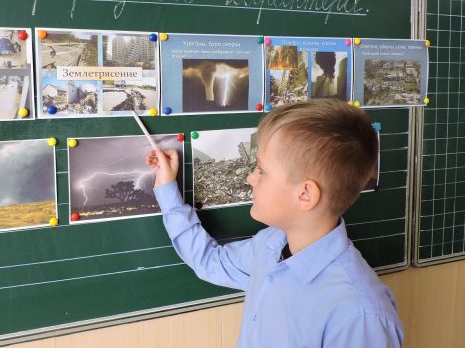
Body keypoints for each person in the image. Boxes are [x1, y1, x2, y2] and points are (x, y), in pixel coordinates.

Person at [146, 99, 403, 348]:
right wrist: (167, 188)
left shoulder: (359, 315)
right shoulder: (271, 244)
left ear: (305, 195)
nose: (250, 178)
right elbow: (210, 262)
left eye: (261, 170)